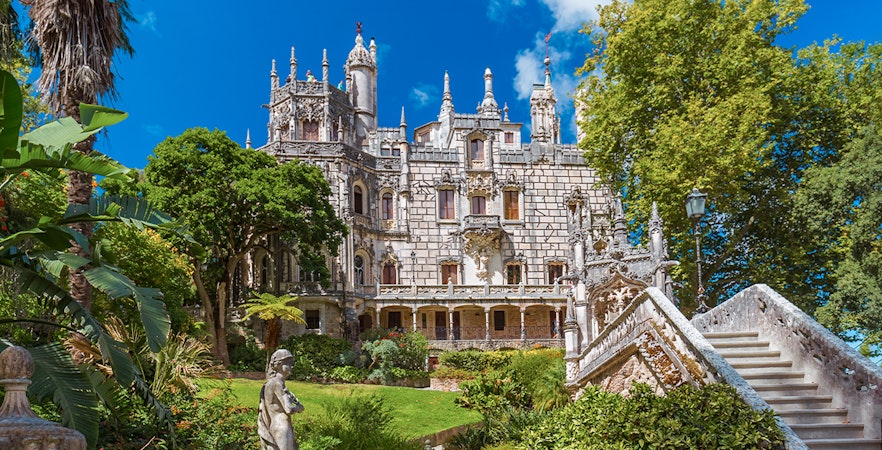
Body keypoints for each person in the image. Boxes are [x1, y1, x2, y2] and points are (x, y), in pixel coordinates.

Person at [258, 349, 304, 450]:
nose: (292, 366)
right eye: (289, 363)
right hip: (282, 426)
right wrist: (299, 407)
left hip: (276, 425)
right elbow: (289, 409)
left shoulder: (272, 383)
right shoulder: (277, 384)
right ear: (279, 365)